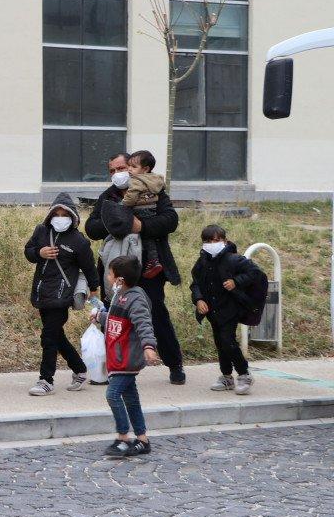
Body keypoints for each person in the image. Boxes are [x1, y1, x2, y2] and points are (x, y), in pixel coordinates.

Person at [85, 151, 187, 385]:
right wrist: (116, 224)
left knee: (156, 314)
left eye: (122, 168)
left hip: (150, 267)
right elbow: (91, 228)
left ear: (135, 167)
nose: (118, 173)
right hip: (118, 268)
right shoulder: (108, 196)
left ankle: (174, 364)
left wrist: (142, 226)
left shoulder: (154, 190)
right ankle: (112, 368)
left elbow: (170, 220)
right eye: (112, 170)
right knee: (112, 318)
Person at [24, 192, 101, 395]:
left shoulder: (79, 241)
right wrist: (39, 253)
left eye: (64, 213)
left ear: (73, 216)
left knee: (48, 337)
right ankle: (79, 369)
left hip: (62, 295)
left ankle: (46, 380)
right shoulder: (41, 231)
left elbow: (90, 267)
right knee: (56, 335)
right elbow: (28, 251)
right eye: (56, 213)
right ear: (50, 215)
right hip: (42, 292)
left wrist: (93, 291)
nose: (60, 217)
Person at [91, 255, 160, 458]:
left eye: (110, 274)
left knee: (112, 395)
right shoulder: (120, 295)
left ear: (120, 279)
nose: (108, 278)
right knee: (131, 398)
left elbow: (143, 323)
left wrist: (148, 347)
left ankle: (123, 438)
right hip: (117, 357)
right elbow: (116, 319)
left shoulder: (136, 298)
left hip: (127, 358)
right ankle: (142, 439)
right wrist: (99, 317)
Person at [190, 224, 263, 396]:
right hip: (212, 311)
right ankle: (226, 376)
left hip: (230, 308)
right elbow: (195, 284)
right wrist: (199, 299)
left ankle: (244, 374)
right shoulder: (202, 261)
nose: (212, 244)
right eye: (208, 241)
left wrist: (236, 282)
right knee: (220, 343)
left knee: (227, 341)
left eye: (216, 240)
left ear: (224, 240)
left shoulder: (234, 259)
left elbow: (255, 273)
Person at [121, 151, 166, 279]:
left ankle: (151, 262)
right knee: (149, 237)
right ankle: (154, 260)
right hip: (152, 209)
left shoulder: (136, 180)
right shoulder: (156, 179)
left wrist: (123, 204)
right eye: (129, 166)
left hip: (140, 210)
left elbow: (131, 197)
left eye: (133, 167)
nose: (129, 169)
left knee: (143, 237)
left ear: (145, 169)